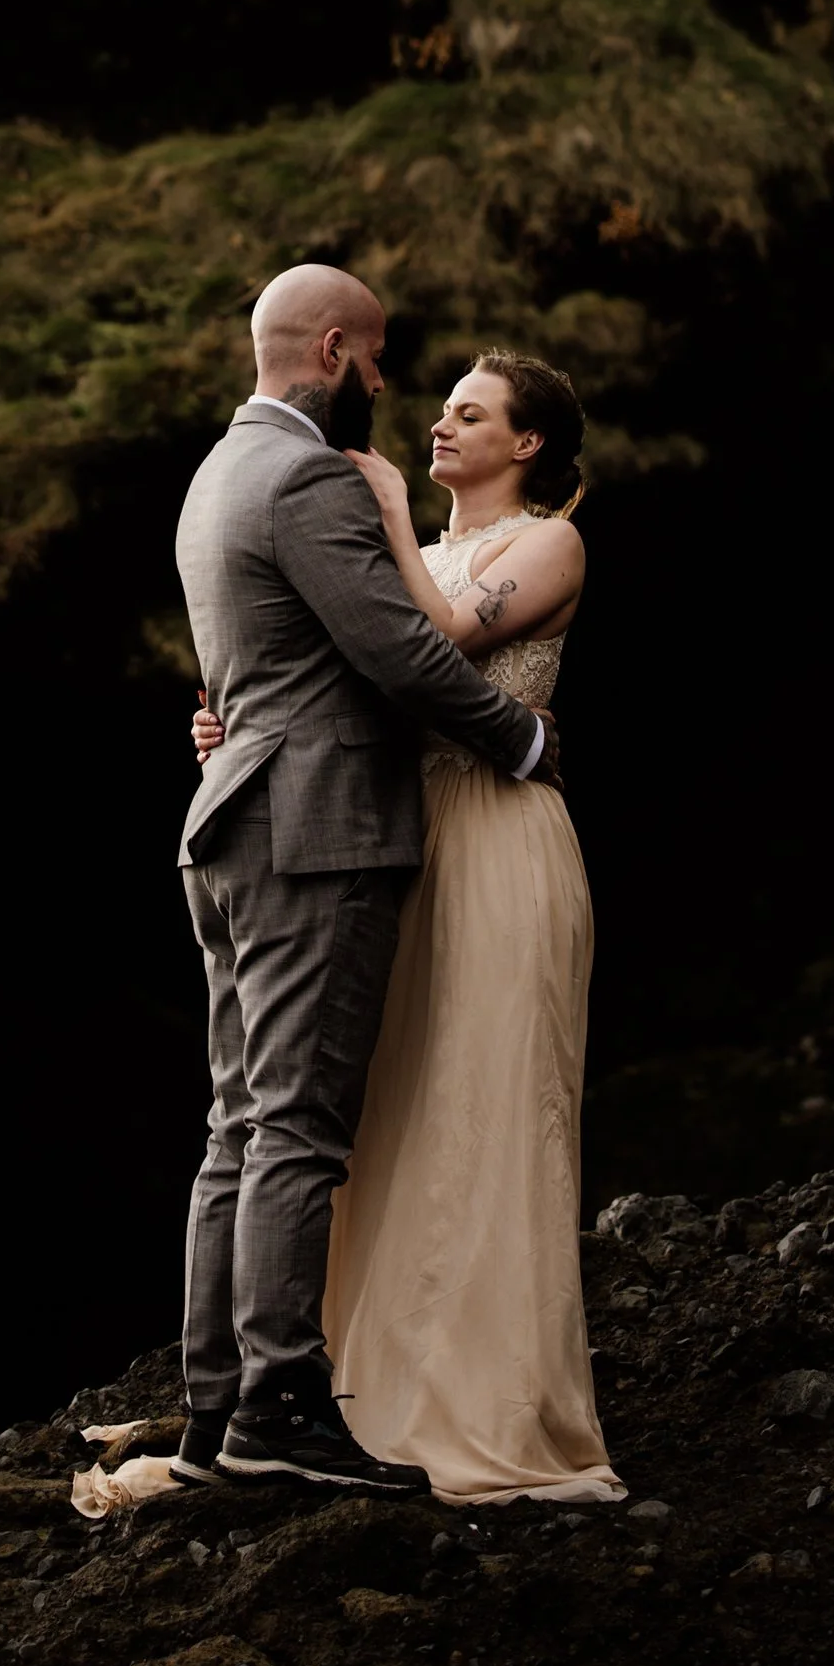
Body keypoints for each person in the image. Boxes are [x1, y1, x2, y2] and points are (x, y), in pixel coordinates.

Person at [191, 349, 623, 1505]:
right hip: (391, 839)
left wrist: (383, 512)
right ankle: (349, 1389)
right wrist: (235, 720)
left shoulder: (548, 544)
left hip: (496, 838)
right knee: (379, 1113)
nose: (438, 425)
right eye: (441, 408)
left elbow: (427, 650)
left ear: (526, 443)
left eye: (469, 414)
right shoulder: (412, 557)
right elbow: (341, 669)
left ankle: (486, 1397)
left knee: (487, 1101)